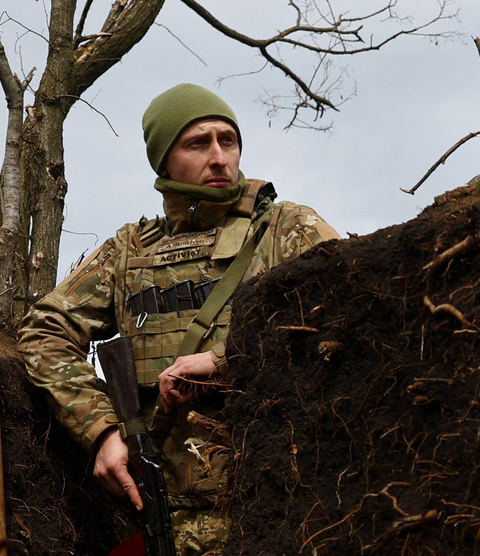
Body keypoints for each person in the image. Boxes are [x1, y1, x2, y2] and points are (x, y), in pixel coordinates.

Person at [17, 83, 339, 555]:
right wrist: (102, 431)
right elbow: (44, 331)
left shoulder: (285, 229)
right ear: (164, 161)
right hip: (164, 515)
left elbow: (346, 317)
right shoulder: (129, 252)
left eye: (227, 140)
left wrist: (226, 361)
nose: (218, 157)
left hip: (278, 507)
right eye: (197, 143)